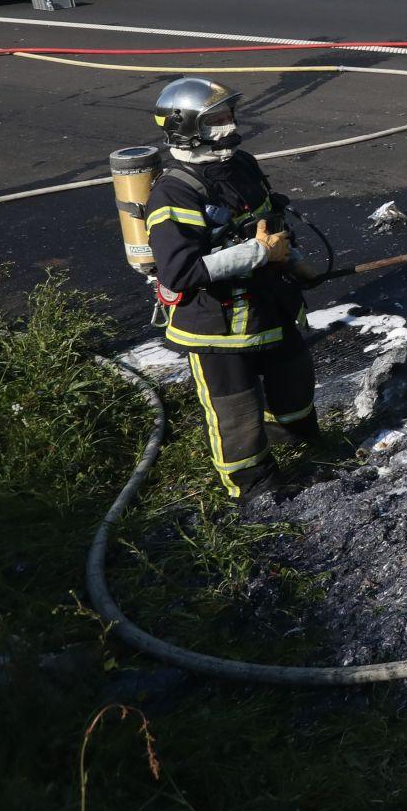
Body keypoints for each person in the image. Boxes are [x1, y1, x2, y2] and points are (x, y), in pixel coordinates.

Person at [144, 77, 330, 509]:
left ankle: (299, 446)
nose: (228, 127)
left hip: (270, 306)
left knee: (295, 381)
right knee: (236, 411)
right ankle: (254, 488)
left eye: (229, 116)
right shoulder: (173, 193)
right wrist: (259, 253)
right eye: (215, 121)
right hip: (217, 328)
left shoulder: (241, 165)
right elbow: (180, 271)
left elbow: (269, 223)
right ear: (186, 127)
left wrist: (292, 258)